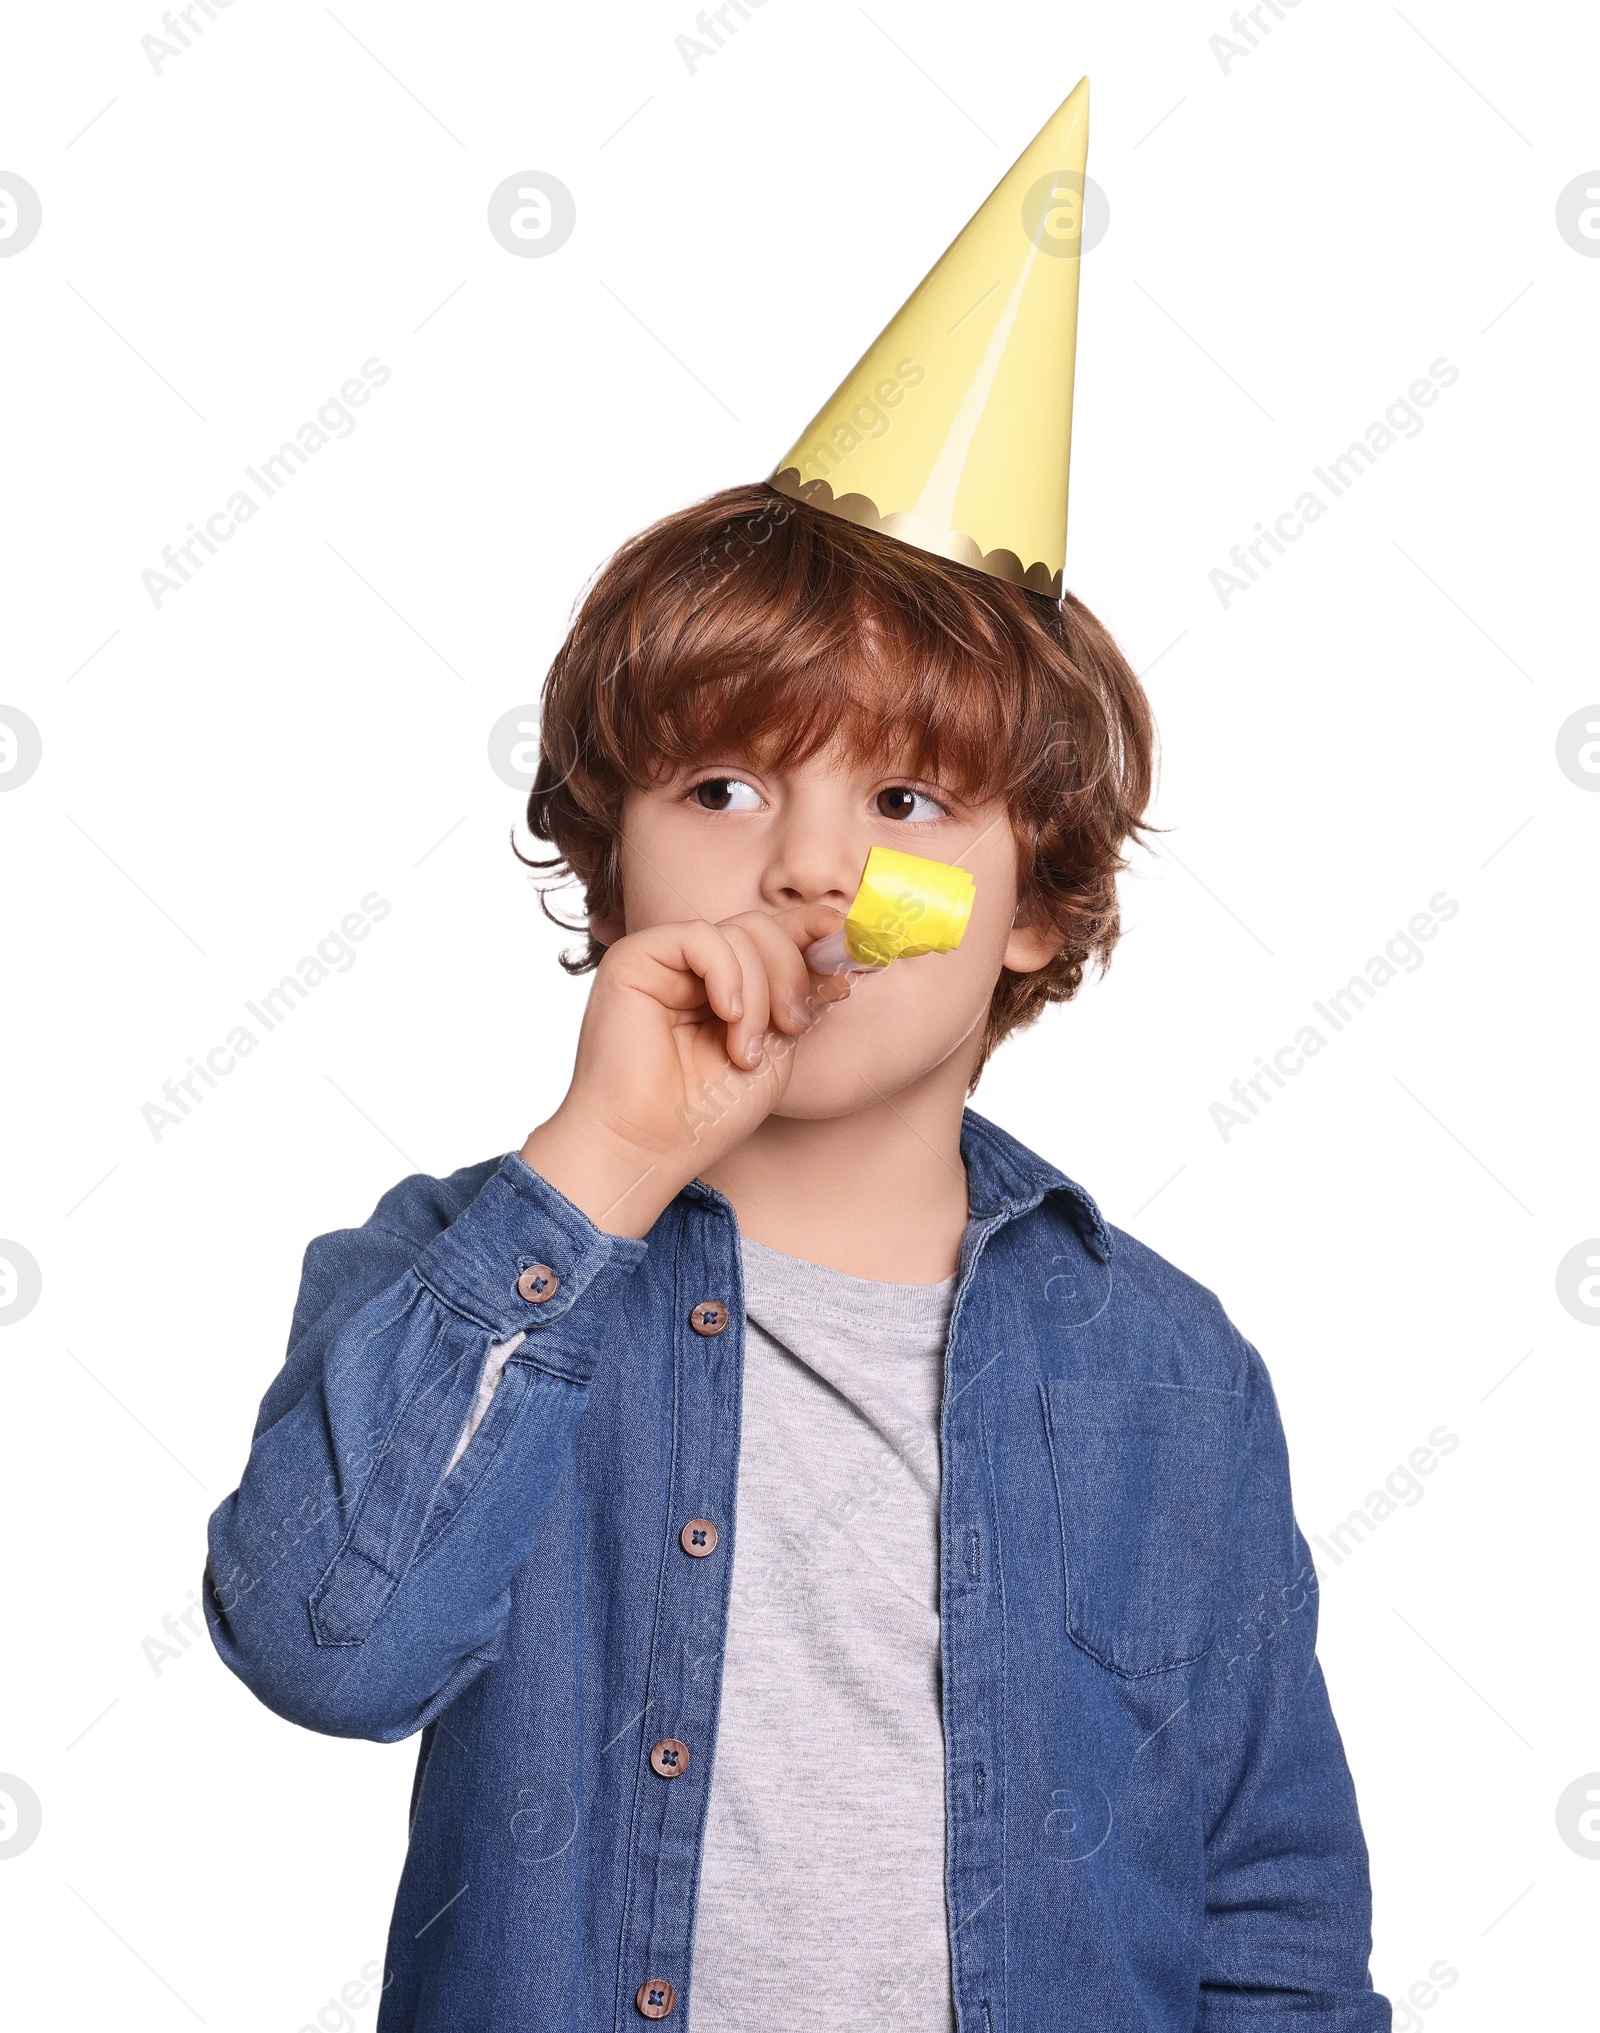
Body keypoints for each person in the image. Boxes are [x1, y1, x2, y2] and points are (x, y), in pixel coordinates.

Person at [205, 78, 1388, 2030]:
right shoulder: (461, 1280)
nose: (818, 866)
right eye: (728, 781)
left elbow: (1260, 1913)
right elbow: (327, 1650)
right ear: (610, 856)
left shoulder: (1167, 1376)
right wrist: (595, 1161)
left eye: (911, 799)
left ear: (1030, 902)